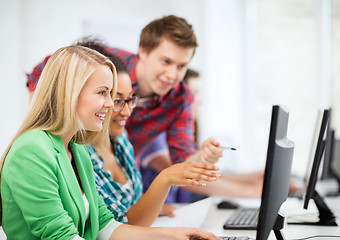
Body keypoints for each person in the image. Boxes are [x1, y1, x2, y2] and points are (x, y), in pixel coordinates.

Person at [0, 45, 221, 240]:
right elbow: (60, 235)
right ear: (69, 94)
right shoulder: (31, 150)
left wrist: (174, 235)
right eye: (102, 93)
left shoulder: (76, 149)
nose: (109, 104)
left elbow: (105, 227)